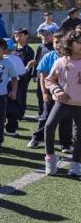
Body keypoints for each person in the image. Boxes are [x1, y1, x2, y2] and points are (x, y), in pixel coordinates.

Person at [43, 29, 81, 176]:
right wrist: (57, 91)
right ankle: (50, 158)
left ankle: (76, 164)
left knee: (78, 135)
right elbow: (49, 80)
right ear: (70, 44)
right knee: (49, 126)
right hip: (63, 102)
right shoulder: (61, 61)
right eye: (79, 42)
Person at [28, 33, 73, 150]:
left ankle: (66, 144)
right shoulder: (48, 56)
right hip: (51, 93)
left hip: (68, 96)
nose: (58, 45)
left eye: (60, 42)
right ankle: (37, 138)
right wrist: (44, 93)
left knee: (66, 119)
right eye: (55, 42)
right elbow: (43, 77)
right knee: (46, 117)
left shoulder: (72, 57)